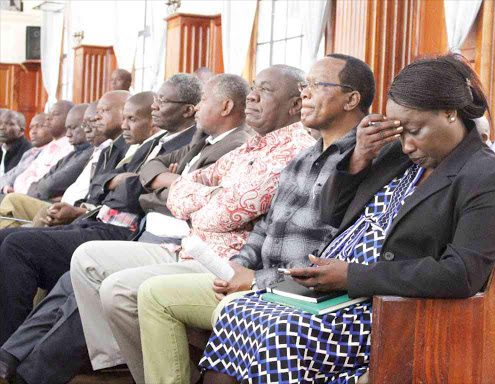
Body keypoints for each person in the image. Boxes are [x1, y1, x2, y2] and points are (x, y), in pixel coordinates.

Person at [189, 54, 495, 384]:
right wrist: (357, 160)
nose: (408, 144)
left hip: (386, 308)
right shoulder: (397, 153)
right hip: (335, 293)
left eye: (415, 131)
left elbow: (462, 274)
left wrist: (353, 276)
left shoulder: (485, 174)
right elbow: (331, 216)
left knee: (280, 331)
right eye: (400, 132)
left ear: (450, 113)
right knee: (236, 312)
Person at [131, 53, 376, 384]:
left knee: (225, 317)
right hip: (256, 279)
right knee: (153, 293)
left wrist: (258, 280)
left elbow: (330, 253)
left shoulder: (363, 160)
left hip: (300, 290)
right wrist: (236, 266)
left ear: (352, 99)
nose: (306, 93)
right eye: (305, 86)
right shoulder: (304, 156)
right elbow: (265, 226)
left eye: (316, 85)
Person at [69, 65, 315, 384]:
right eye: (253, 87)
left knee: (120, 289)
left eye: (265, 90)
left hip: (225, 261)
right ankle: (126, 366)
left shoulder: (292, 149)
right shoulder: (254, 145)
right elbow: (186, 195)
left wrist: (194, 193)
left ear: (296, 104)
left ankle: (157, 375)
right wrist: (207, 193)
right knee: (87, 258)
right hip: (191, 246)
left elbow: (220, 215)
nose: (251, 96)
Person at [0, 74, 249, 384]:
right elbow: (139, 176)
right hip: (148, 232)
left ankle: (32, 375)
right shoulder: (201, 138)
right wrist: (162, 183)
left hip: (183, 244)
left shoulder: (238, 145)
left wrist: (162, 187)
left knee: (88, 276)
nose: (199, 107)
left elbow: (175, 201)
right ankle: (10, 355)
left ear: (225, 106)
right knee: (69, 276)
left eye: (204, 101)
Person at [0, 78, 200, 347]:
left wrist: (123, 182)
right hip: (96, 218)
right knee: (8, 240)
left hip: (123, 232)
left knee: (18, 246)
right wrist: (125, 180)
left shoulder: (186, 144)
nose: (155, 106)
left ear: (189, 109)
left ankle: (9, 342)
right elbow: (103, 184)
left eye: (162, 102)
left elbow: (133, 197)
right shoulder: (154, 141)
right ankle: (13, 347)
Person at [0, 104, 92, 228]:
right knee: (10, 221)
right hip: (41, 198)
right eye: (68, 128)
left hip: (62, 206)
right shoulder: (73, 153)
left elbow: (50, 185)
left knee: (12, 201)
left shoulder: (86, 153)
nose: (69, 134)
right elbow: (31, 176)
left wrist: (35, 187)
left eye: (73, 128)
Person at [11, 101, 75, 195]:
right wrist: (27, 190)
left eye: (55, 114)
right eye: (48, 114)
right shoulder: (49, 147)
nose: (48, 118)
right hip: (28, 195)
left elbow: (50, 185)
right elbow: (22, 178)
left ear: (70, 119)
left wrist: (28, 188)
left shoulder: (71, 148)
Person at [0, 114, 51, 194]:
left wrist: (5, 187)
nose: (33, 132)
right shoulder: (30, 152)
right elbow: (11, 174)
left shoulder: (49, 152)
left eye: (39, 126)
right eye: (31, 127)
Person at [0, 110, 32, 177]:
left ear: (22, 129)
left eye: (9, 124)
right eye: (0, 123)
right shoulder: (2, 147)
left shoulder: (29, 151)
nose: (2, 127)